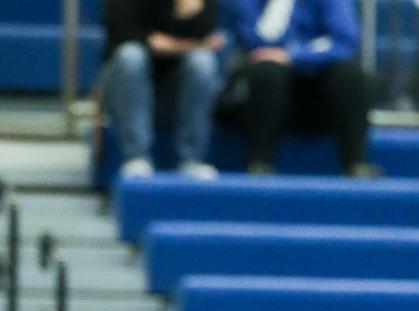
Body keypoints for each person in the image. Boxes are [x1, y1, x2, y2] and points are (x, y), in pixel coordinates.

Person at [227, 0, 373, 177]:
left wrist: (292, 56)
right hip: (267, 90)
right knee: (267, 72)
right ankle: (259, 163)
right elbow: (254, 41)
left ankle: (356, 164)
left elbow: (344, 40)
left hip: (316, 92)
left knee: (350, 75)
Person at [101, 0, 222, 179]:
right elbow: (122, 33)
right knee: (130, 56)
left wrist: (188, 17)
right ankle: (136, 156)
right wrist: (179, 37)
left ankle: (192, 159)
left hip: (175, 87)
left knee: (202, 61)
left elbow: (206, 36)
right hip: (127, 87)